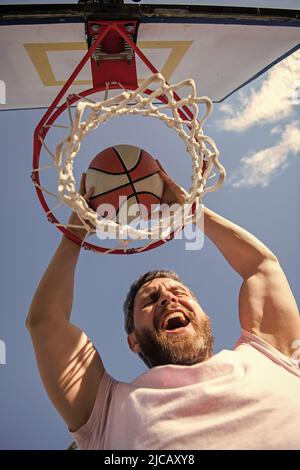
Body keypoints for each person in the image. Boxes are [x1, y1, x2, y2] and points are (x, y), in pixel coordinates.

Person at [26, 166, 300, 450]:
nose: (169, 299)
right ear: (133, 341)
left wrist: (192, 212)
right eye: (150, 300)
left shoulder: (269, 353)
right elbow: (46, 323)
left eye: (179, 292)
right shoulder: (105, 410)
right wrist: (76, 232)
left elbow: (261, 266)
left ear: (206, 316)